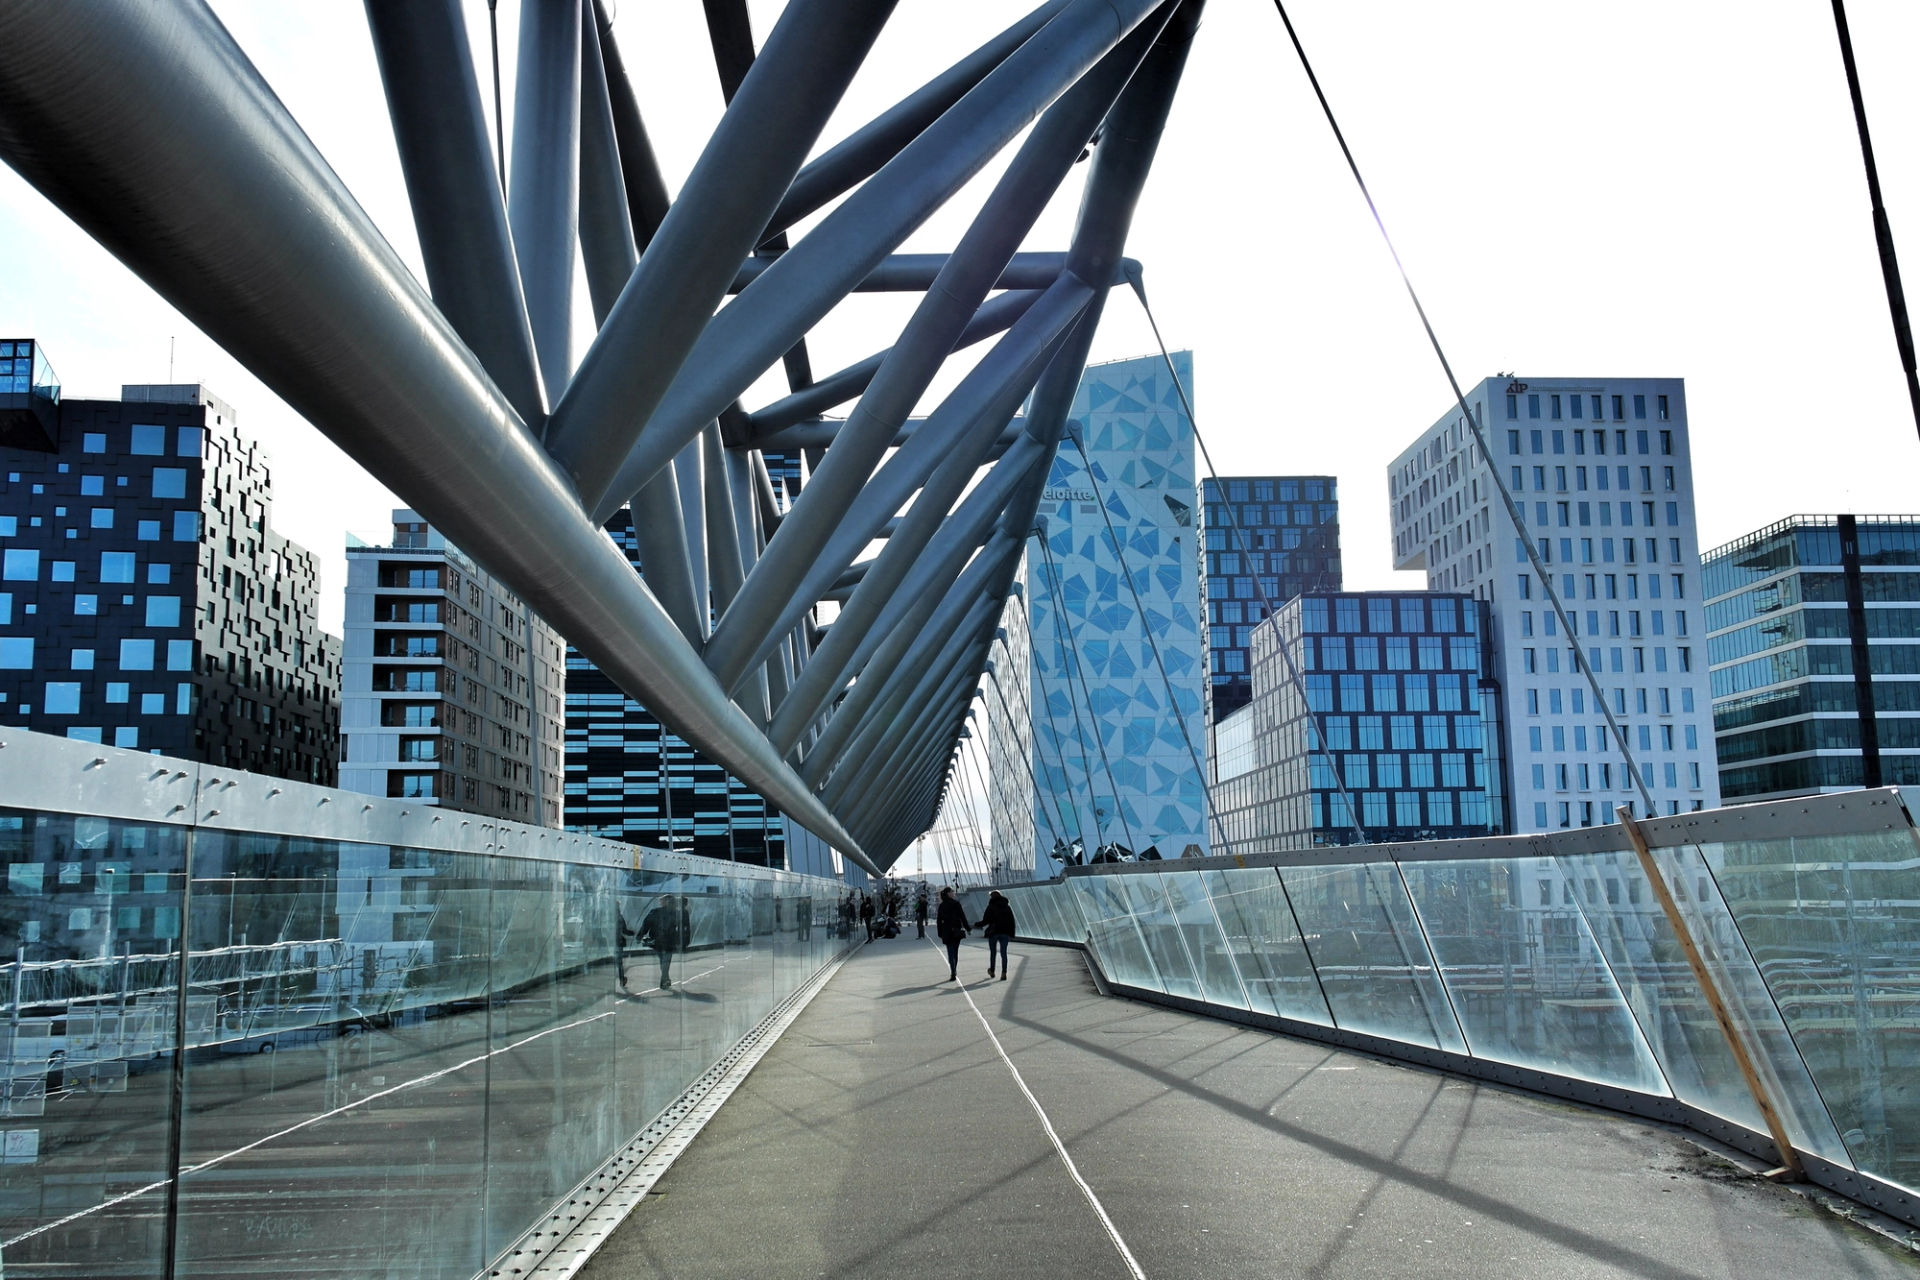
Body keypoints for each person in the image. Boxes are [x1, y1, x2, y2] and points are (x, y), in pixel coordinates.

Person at [637, 893, 690, 990]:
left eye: (662, 899)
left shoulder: (655, 912)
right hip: (670, 940)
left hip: (657, 941)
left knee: (663, 960)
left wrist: (639, 936)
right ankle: (665, 978)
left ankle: (665, 979)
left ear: (666, 901)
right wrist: (682, 941)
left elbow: (646, 924)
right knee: (666, 960)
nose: (659, 901)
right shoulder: (676, 913)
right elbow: (681, 928)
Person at [979, 889, 1016, 981]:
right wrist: (1012, 933)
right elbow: (1012, 921)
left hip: (994, 932)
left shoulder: (991, 907)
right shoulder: (1007, 907)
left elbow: (985, 920)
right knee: (1004, 953)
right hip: (1005, 933)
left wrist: (976, 925)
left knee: (993, 953)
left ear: (991, 897)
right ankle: (1004, 973)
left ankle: (992, 971)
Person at [935, 887, 970, 981]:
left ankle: (953, 970)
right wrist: (967, 928)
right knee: (955, 951)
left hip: (946, 931)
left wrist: (939, 932)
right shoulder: (956, 904)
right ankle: (954, 969)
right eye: (952, 891)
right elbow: (962, 916)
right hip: (956, 930)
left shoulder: (942, 905)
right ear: (948, 893)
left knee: (950, 951)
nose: (953, 893)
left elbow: (939, 920)